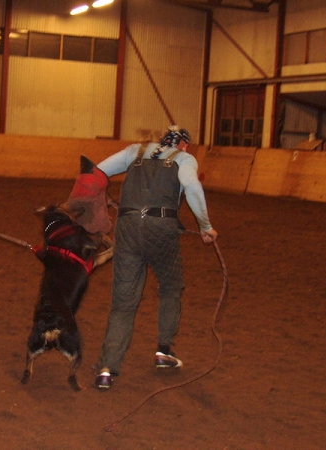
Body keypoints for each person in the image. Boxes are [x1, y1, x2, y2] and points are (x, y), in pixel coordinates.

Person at [94, 125, 218, 390]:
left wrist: (103, 198)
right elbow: (192, 187)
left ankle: (107, 368)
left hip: (127, 227)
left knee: (123, 302)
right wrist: (205, 227)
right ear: (183, 145)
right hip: (161, 230)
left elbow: (98, 171)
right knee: (171, 286)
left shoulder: (134, 152)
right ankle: (164, 350)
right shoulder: (184, 158)